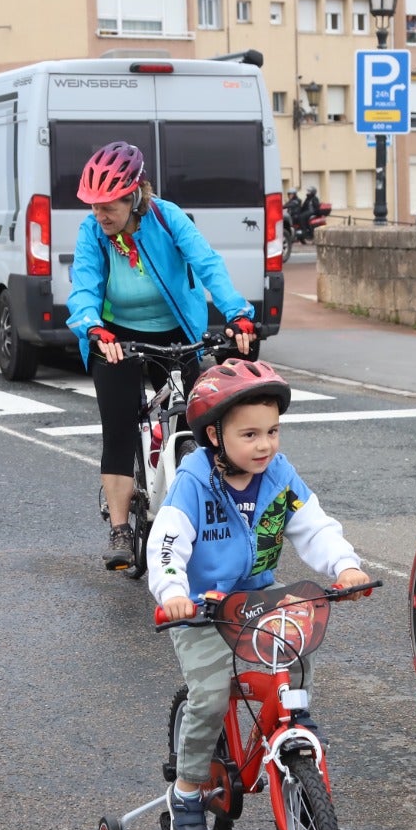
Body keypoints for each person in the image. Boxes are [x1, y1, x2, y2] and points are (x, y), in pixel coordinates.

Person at [147, 359, 370, 830]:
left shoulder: (279, 477)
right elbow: (166, 544)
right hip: (202, 606)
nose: (265, 445)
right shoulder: (195, 481)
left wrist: (345, 566)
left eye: (272, 431)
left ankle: (290, 728)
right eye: (249, 434)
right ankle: (186, 793)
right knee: (208, 695)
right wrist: (172, 594)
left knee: (296, 649)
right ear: (213, 436)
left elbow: (314, 526)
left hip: (258, 599)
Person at [65, 140, 256, 569]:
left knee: (203, 420)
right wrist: (93, 327)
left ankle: (206, 511)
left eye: (107, 206)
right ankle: (119, 526)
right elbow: (84, 287)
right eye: (93, 206)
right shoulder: (92, 232)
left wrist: (238, 314)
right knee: (118, 429)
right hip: (114, 336)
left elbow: (208, 265)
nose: (99, 214)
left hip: (176, 331)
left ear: (133, 194)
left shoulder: (167, 218)